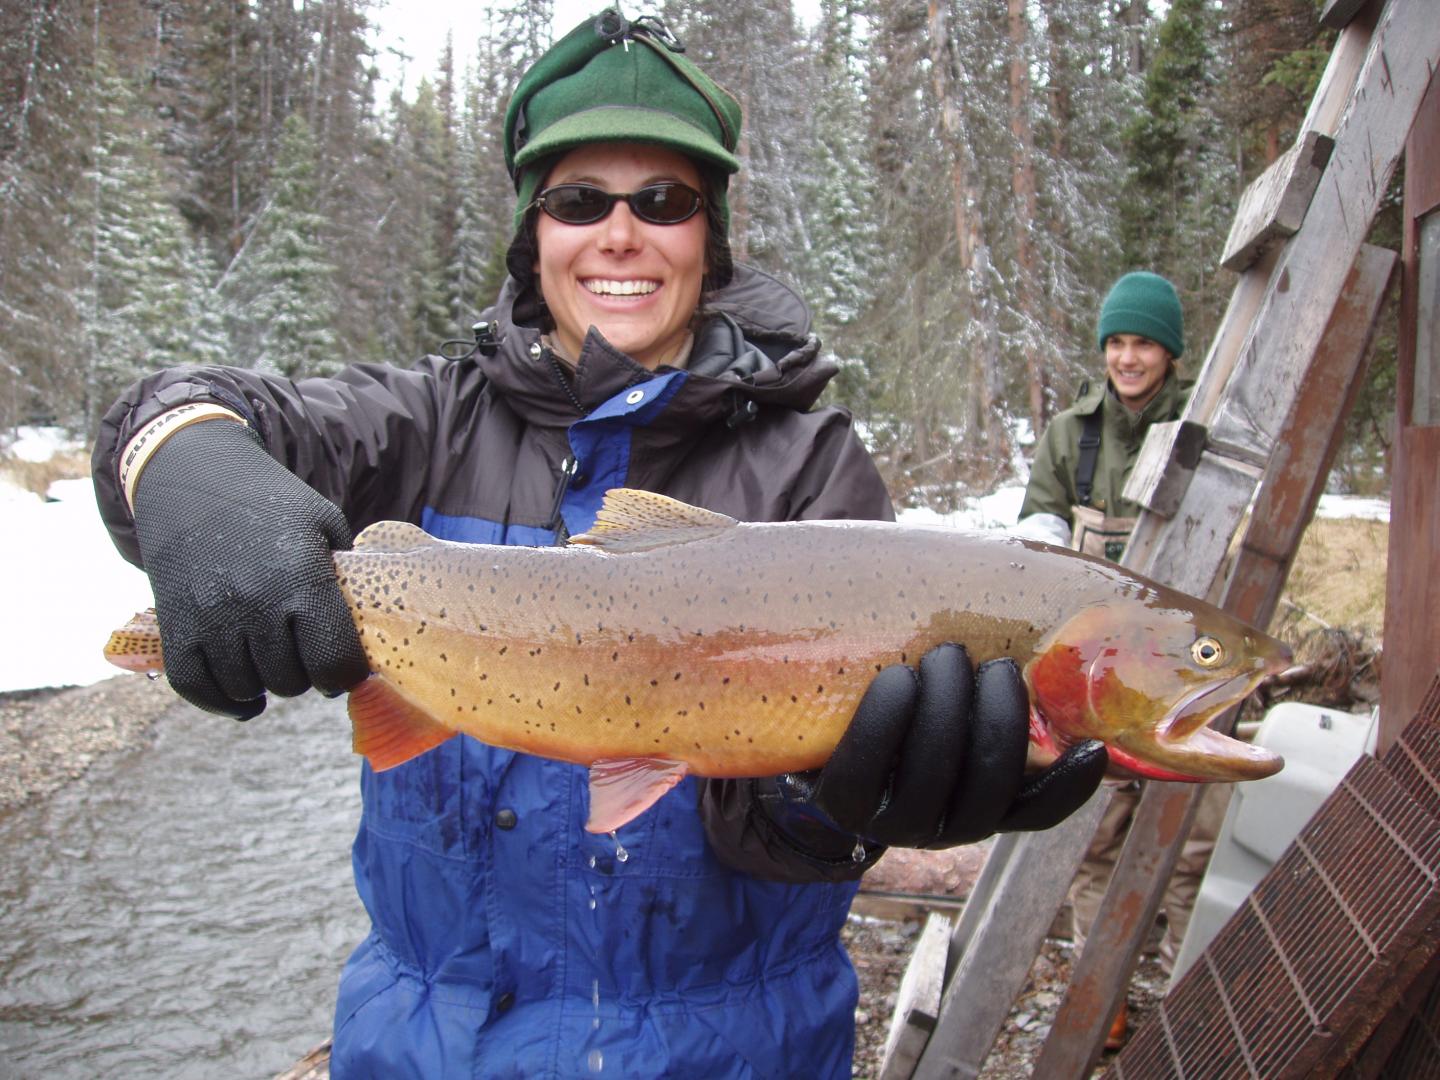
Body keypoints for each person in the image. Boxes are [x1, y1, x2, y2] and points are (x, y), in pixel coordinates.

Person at [92, 12, 1107, 1078]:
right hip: (429, 1049)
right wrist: (187, 462)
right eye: (579, 201)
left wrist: (840, 799)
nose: (620, 234)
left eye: (663, 202)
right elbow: (182, 409)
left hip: (730, 1052)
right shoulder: (425, 424)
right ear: (535, 235)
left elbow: (764, 833)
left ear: (707, 234)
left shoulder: (811, 469)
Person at [1017, 270, 1224, 1047]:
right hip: (1097, 672)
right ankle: (1099, 999)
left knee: (1194, 831)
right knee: (1091, 832)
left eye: (1143, 344)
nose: (1128, 358)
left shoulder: (1209, 430)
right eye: (1117, 343)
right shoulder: (1073, 434)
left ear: (1170, 354)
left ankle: (1194, 990)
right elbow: (1034, 529)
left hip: (1184, 666)